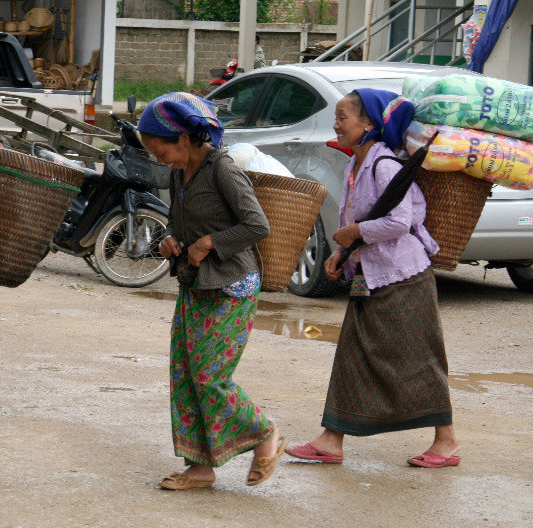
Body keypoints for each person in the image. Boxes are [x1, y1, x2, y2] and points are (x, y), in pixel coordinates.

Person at [286, 89, 461, 468]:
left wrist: (355, 234)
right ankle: (331, 439)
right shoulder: (355, 166)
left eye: (343, 116)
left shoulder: (385, 166)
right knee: (352, 355)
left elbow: (399, 222)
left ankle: (446, 441)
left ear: (370, 124)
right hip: (371, 276)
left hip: (405, 278)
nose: (337, 124)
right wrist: (339, 251)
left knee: (418, 358)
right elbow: (354, 223)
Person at [137, 92, 286, 490]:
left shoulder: (223, 169)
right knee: (185, 374)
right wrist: (168, 239)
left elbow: (257, 226)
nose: (158, 159)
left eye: (160, 150)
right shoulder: (176, 173)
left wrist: (210, 243)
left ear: (183, 139)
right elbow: (176, 222)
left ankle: (264, 433)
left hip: (232, 287)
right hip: (194, 284)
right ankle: (200, 466)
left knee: (209, 374)